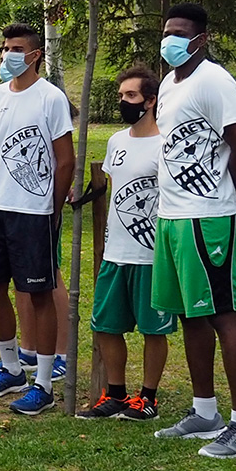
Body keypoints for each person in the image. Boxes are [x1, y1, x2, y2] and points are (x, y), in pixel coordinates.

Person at [148, 2, 236, 457]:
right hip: (173, 216)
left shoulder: (214, 81)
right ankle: (204, 412)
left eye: (180, 33)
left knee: (221, 313)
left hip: (205, 218)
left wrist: (223, 193)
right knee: (191, 314)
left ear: (202, 39)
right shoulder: (171, 83)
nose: (170, 40)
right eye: (167, 31)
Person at [0, 23, 75, 416]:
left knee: (38, 293)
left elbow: (65, 159)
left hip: (34, 211)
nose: (6, 55)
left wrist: (53, 207)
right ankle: (12, 367)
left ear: (35, 55)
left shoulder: (50, 98)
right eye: (3, 48)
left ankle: (44, 383)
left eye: (15, 48)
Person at [75, 65, 173, 420]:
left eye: (130, 96)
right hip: (114, 252)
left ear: (150, 101)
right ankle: (115, 394)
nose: (123, 102)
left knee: (152, 329)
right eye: (121, 96)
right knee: (106, 325)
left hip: (151, 256)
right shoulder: (117, 141)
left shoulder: (166, 143)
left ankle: (148, 398)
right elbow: (107, 188)